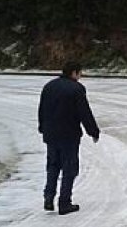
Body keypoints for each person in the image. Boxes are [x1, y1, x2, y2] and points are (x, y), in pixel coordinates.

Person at [38, 61, 100, 215]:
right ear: (74, 73)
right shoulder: (76, 89)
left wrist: (42, 127)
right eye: (80, 73)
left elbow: (42, 109)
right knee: (69, 168)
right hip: (69, 135)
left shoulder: (49, 86)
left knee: (53, 165)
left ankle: (48, 197)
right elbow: (84, 112)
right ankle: (64, 202)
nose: (80, 77)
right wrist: (93, 131)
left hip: (51, 134)